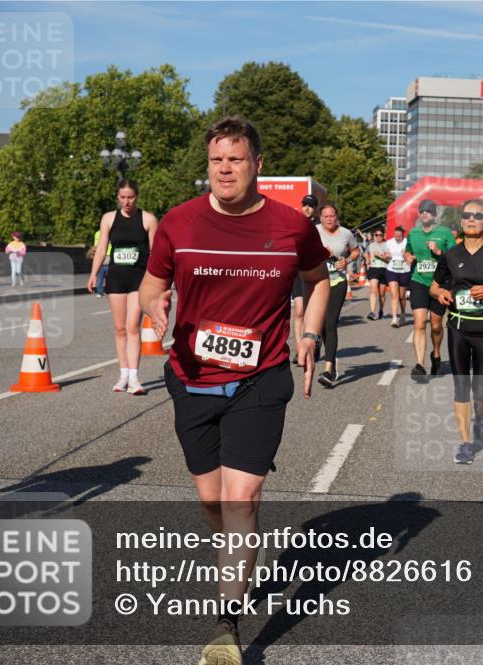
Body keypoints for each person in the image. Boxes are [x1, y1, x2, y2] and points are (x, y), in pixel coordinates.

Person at [139, 116, 330, 665]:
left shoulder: (292, 226)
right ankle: (237, 552)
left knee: (240, 498)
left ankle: (227, 624)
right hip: (193, 380)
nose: (225, 169)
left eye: (236, 159)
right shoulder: (178, 223)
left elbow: (318, 283)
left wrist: (310, 334)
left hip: (261, 379)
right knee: (213, 503)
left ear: (257, 165)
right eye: (217, 160)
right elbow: (153, 284)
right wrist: (156, 306)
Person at [431, 200, 483, 464]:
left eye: (477, 216)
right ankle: (466, 443)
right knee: (461, 386)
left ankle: (481, 414)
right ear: (461, 221)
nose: (471, 219)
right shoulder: (451, 255)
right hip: (458, 328)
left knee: (480, 390)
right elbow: (434, 286)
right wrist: (442, 292)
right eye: (467, 215)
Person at [87, 180, 158, 395]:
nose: (127, 202)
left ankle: (135, 378)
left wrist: (159, 282)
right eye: (123, 198)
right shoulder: (109, 218)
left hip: (139, 279)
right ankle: (123, 375)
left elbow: (156, 254)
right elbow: (101, 249)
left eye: (131, 197)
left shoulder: (148, 219)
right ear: (118, 197)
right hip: (116, 278)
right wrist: (93, 274)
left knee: (132, 327)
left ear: (137, 196)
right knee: (119, 329)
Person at [404, 199, 456, 380]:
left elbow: (455, 258)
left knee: (435, 326)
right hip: (418, 281)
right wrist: (408, 257)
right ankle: (419, 364)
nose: (424, 213)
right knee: (419, 324)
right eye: (421, 211)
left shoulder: (445, 233)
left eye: (427, 211)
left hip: (440, 284)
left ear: (434, 215)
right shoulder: (413, 233)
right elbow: (408, 250)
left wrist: (439, 252)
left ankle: (436, 354)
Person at [316, 204, 359, 388]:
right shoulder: (314, 231)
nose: (329, 219)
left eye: (332, 216)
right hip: (318, 283)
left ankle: (328, 369)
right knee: (323, 326)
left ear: (336, 217)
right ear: (321, 217)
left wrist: (346, 260)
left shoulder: (346, 233)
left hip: (337, 283)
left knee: (330, 323)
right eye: (325, 216)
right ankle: (332, 362)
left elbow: (356, 251)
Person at [291, 194, 320, 364]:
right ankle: (298, 349)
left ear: (315, 207)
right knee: (299, 311)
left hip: (315, 272)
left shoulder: (320, 225)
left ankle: (315, 342)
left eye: (310, 205)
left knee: (313, 312)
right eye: (304, 205)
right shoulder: (296, 222)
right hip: (298, 272)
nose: (307, 208)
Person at [384, 225, 412, 328]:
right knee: (394, 294)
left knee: (401, 297)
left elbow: (412, 255)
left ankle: (403, 314)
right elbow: (385, 256)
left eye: (399, 236)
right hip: (391, 270)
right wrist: (386, 257)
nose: (397, 238)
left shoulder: (407, 243)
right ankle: (394, 318)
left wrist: (407, 255)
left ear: (403, 235)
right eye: (395, 236)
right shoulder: (389, 243)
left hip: (404, 271)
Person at [365, 228, 389, 320]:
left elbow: (388, 259)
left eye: (380, 235)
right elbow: (366, 253)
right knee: (373, 289)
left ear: (383, 236)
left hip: (384, 269)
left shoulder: (387, 245)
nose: (378, 237)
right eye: (376, 235)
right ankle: (372, 312)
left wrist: (381, 257)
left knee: (382, 293)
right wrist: (367, 260)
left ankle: (381, 310)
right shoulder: (371, 245)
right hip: (373, 269)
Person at [92, 229, 111, 298]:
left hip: (101, 256)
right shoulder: (112, 231)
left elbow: (96, 245)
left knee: (100, 277)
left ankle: (100, 292)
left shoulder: (97, 233)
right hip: (109, 255)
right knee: (109, 277)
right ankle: (109, 291)